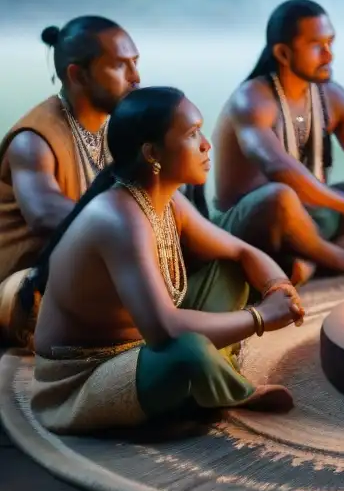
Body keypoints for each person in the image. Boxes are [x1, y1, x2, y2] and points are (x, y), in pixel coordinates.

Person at [28, 86, 305, 435]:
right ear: (152, 153)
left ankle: (206, 382)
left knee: (230, 268)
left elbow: (242, 252)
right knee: (187, 350)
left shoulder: (168, 202)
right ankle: (221, 386)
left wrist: (279, 288)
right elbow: (165, 330)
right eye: (192, 135)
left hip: (144, 347)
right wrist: (261, 316)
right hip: (85, 376)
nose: (207, 144)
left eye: (202, 130)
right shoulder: (117, 217)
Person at [211, 0, 344, 284]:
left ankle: (316, 261)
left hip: (314, 219)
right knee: (280, 197)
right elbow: (280, 171)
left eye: (330, 43)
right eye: (317, 45)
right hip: (260, 224)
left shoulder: (333, 98)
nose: (329, 56)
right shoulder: (253, 100)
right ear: (283, 53)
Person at [0, 17, 141, 348]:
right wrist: (134, 224)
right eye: (121, 66)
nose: (136, 77)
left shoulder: (116, 129)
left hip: (85, 275)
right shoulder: (33, 140)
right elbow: (45, 213)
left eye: (136, 63)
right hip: (28, 284)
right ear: (78, 75)